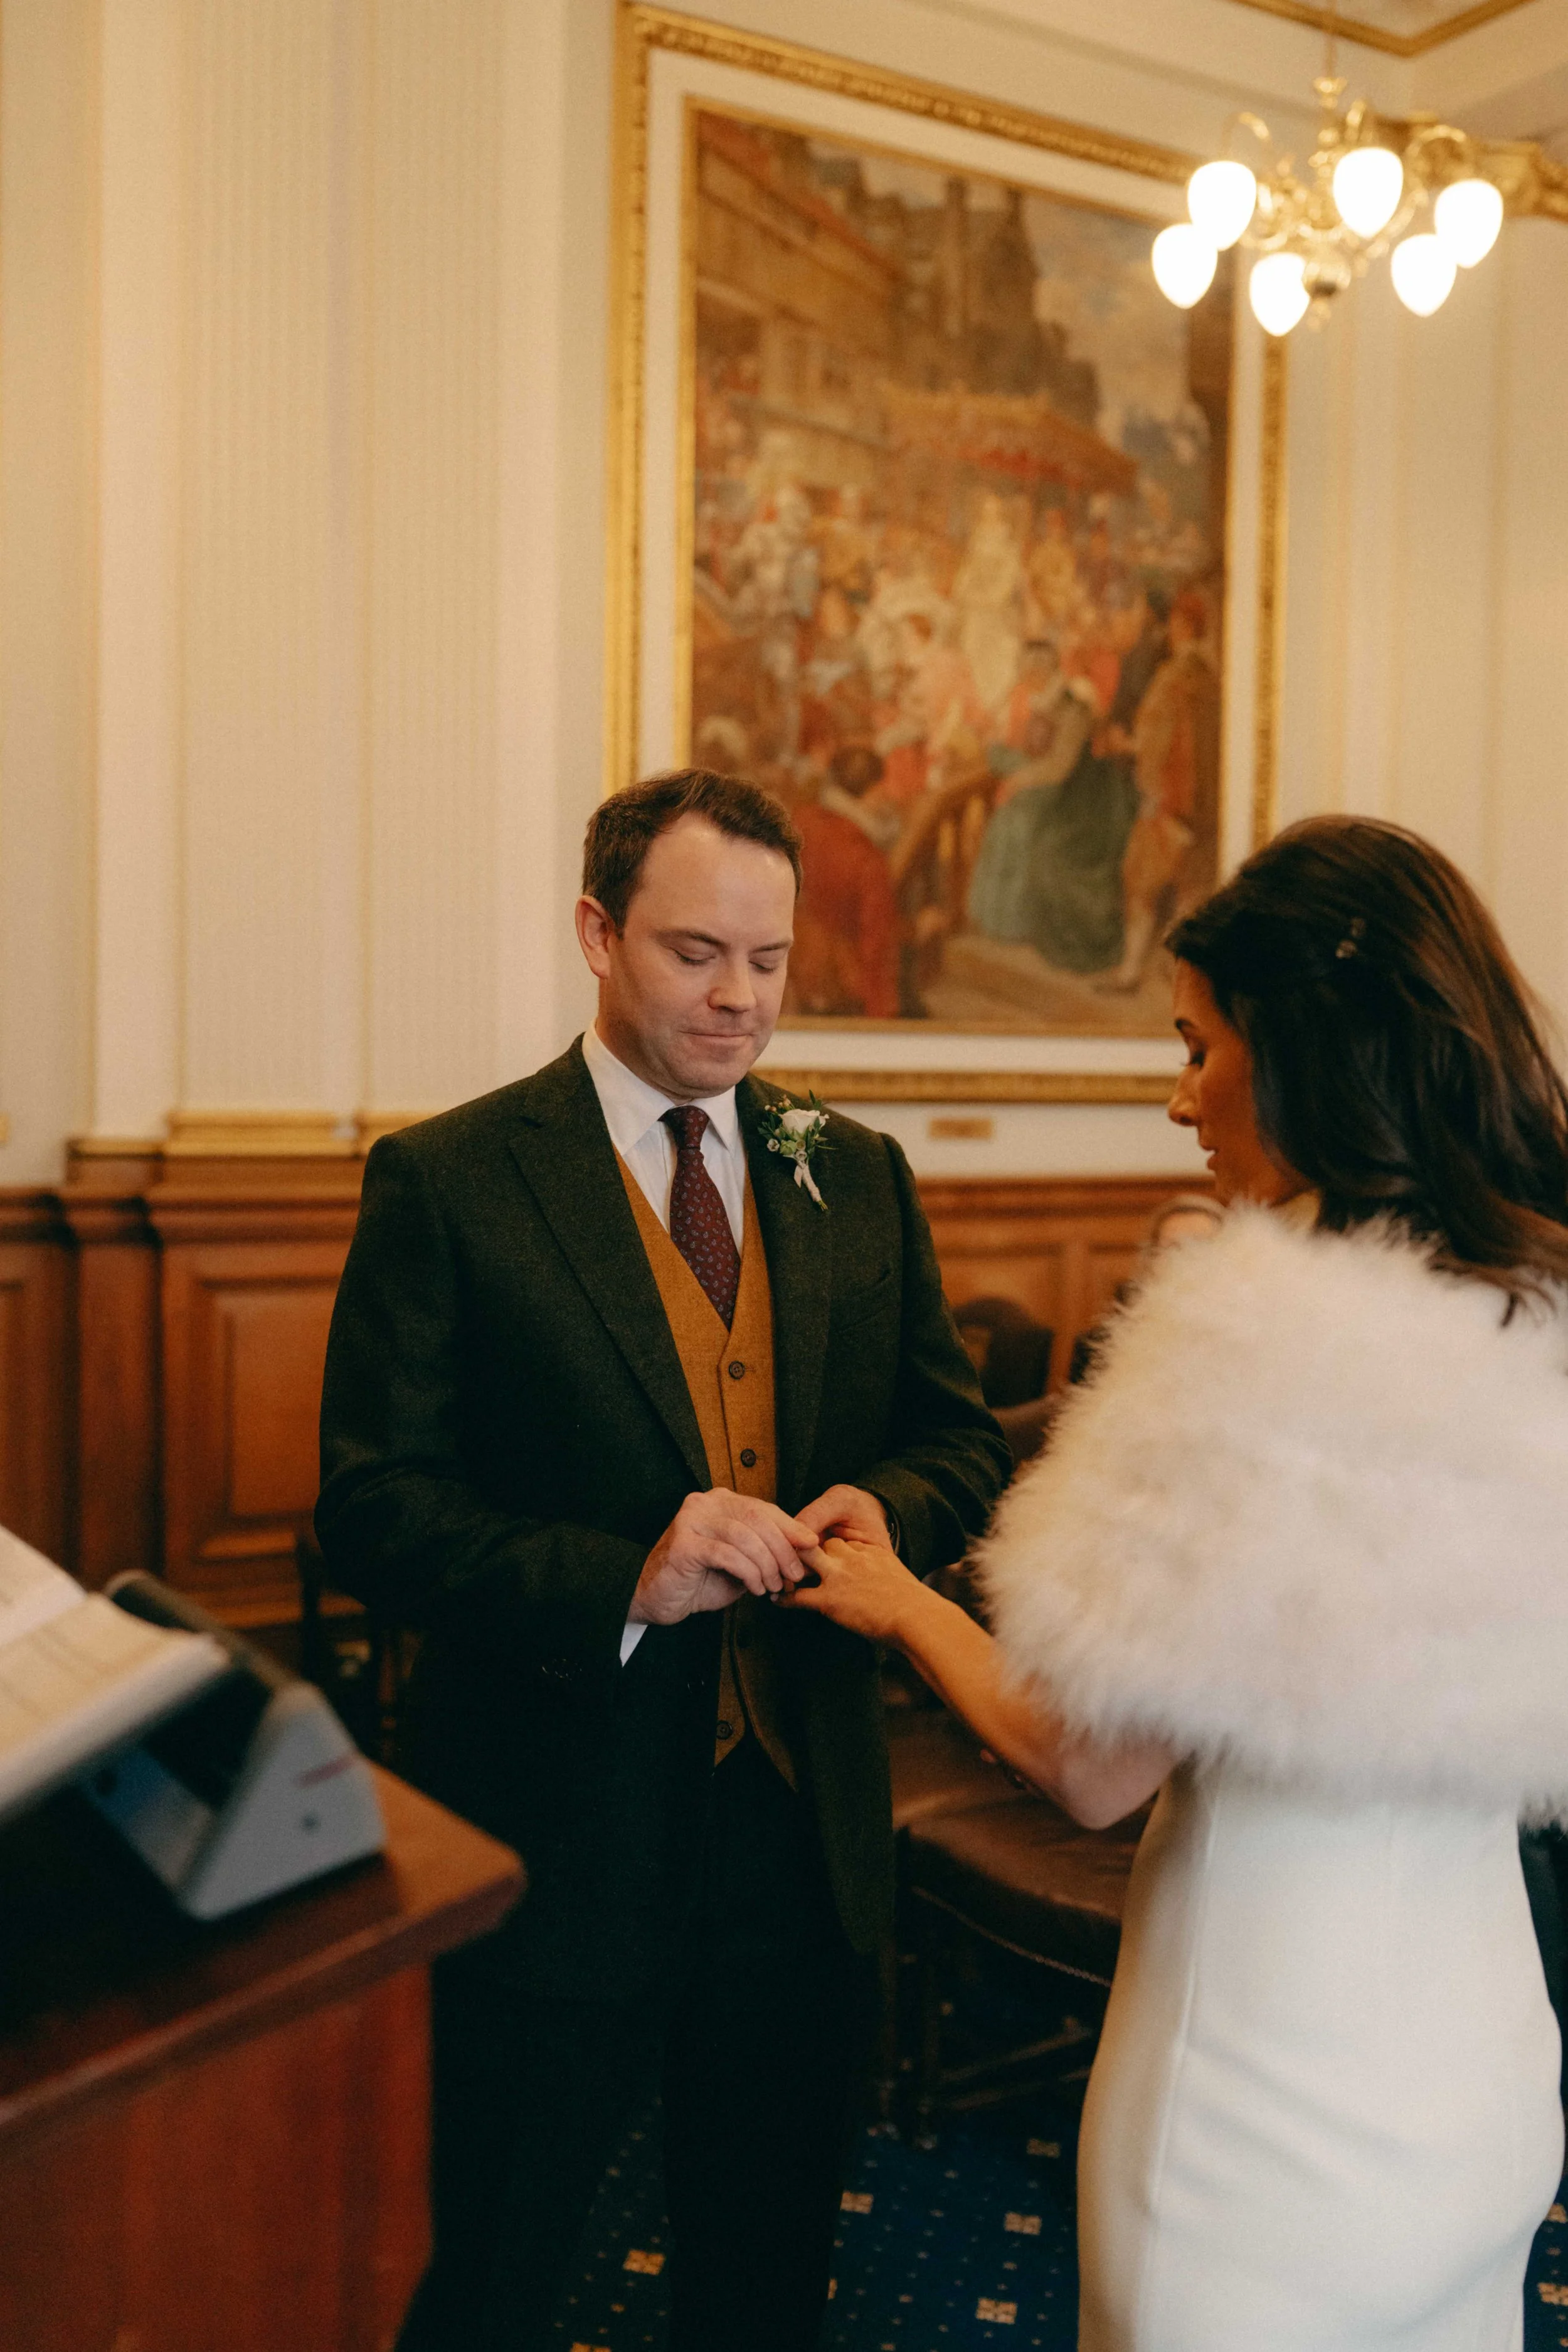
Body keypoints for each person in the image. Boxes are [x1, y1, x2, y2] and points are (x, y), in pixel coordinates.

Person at [784, 814, 1568, 2351]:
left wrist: (902, 1604)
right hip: (1480, 2070)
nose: (1176, 1093)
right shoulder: (1536, 1305)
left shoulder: (1249, 1343)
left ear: (1299, 1057)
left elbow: (1086, 1765)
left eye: (1195, 1046)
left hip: (1258, 2099)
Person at [315, 767, 1009, 2352]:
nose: (740, 998)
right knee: (490, 2266)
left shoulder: (857, 1173)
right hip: (554, 1822)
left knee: (764, 2275)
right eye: (697, 952)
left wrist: (879, 1517)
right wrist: (624, 1574)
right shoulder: (453, 1180)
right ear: (596, 934)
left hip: (804, 1827)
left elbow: (959, 1443)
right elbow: (371, 1507)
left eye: (768, 961)